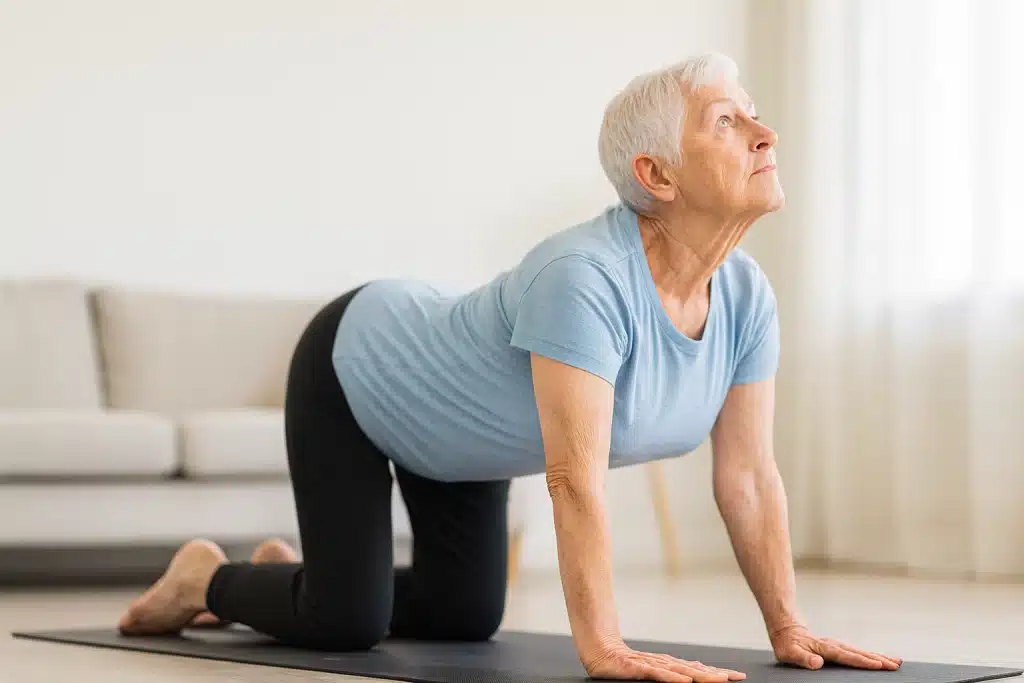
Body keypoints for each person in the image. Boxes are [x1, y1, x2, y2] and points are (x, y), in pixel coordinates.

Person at [117, 52, 902, 682]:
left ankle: (299, 574)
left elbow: (750, 477)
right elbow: (573, 479)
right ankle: (207, 579)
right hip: (363, 366)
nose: (764, 134)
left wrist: (787, 626)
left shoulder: (746, 295)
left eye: (753, 114)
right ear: (657, 176)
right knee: (345, 625)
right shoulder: (585, 278)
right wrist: (604, 648)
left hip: (462, 440)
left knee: (464, 617)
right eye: (728, 122)